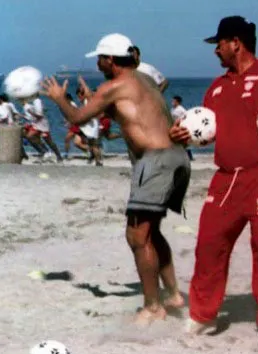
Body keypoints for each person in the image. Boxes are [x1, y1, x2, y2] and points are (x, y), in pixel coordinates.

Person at [169, 16, 258, 341]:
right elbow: (209, 131)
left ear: (235, 43)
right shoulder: (217, 87)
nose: (215, 50)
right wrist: (182, 135)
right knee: (209, 247)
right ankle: (203, 316)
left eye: (219, 43)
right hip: (226, 179)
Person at [44, 32, 190, 325]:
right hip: (176, 159)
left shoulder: (114, 86)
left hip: (155, 163)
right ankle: (173, 294)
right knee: (152, 233)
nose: (97, 64)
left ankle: (152, 307)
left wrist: (61, 99)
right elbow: (132, 108)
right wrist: (96, 99)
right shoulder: (145, 79)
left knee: (136, 235)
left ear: (110, 60)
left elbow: (76, 118)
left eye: (99, 58)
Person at [22, 96, 63, 162]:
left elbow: (39, 116)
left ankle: (58, 156)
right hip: (36, 124)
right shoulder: (34, 102)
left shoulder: (37, 101)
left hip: (43, 125)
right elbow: (42, 110)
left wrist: (31, 112)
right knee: (29, 136)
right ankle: (44, 151)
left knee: (49, 142)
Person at [170, 96, 193, 161]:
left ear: (177, 102)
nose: (172, 102)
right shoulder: (172, 109)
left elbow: (187, 115)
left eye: (174, 101)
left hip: (181, 127)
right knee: (175, 142)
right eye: (172, 101)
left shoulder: (181, 109)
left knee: (183, 142)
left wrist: (182, 121)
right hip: (174, 127)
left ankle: (189, 157)